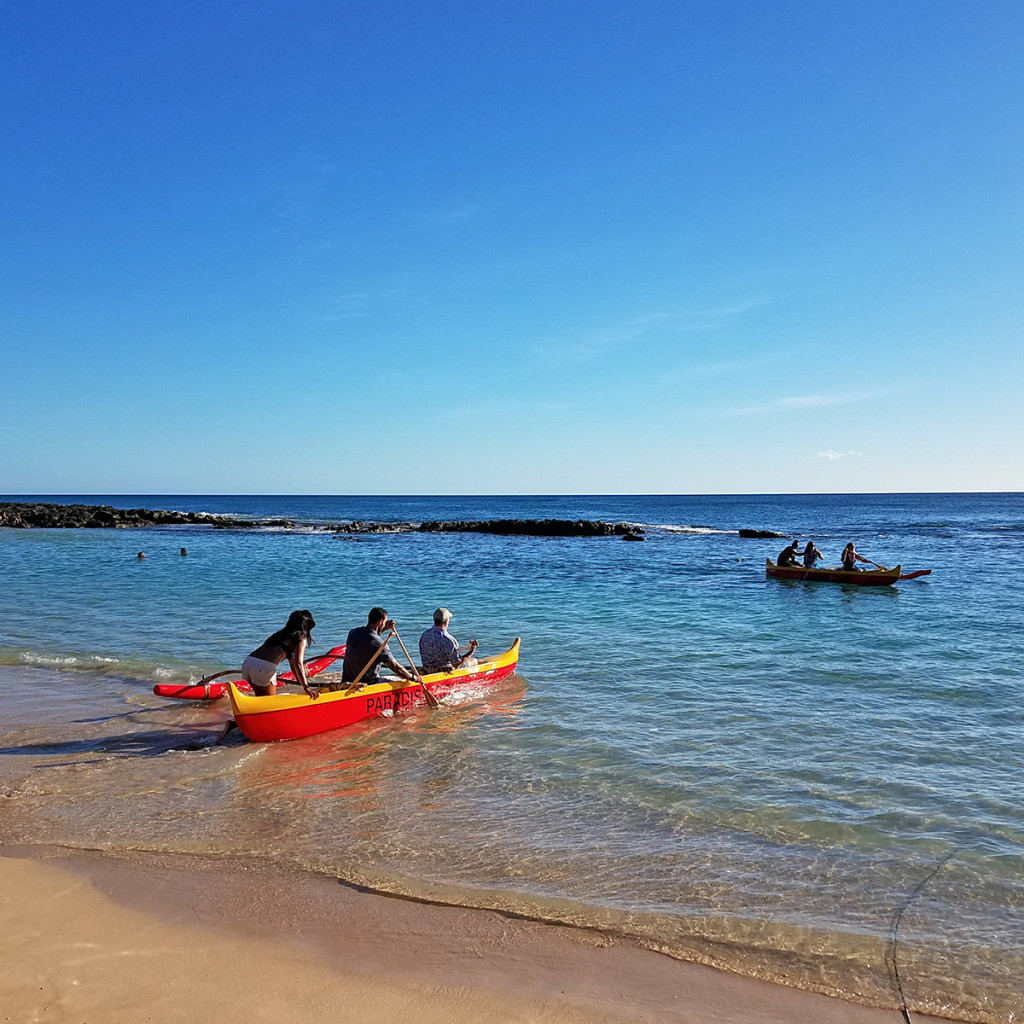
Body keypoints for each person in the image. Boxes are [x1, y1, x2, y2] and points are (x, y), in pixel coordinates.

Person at [241, 610, 318, 698]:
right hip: (263, 667)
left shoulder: (280, 634)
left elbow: (293, 664)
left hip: (249, 662)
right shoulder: (300, 639)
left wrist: (300, 681)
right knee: (268, 702)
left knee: (260, 698)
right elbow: (298, 664)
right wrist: (306, 687)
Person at [340, 607, 417, 689]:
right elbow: (397, 668)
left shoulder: (353, 632)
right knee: (400, 680)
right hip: (369, 684)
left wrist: (384, 628)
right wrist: (413, 677)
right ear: (380, 622)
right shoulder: (379, 644)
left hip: (347, 681)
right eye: (384, 622)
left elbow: (370, 639)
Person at [419, 607, 478, 674]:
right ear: (447, 621)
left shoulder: (425, 634)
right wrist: (471, 651)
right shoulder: (448, 639)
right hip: (443, 671)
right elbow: (457, 664)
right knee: (474, 661)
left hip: (428, 668)